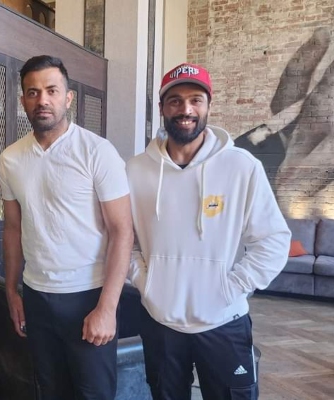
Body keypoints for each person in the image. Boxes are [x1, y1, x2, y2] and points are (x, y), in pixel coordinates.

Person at [126, 63, 291, 400]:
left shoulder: (242, 167)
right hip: (160, 321)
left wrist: (231, 288)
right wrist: (145, 281)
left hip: (224, 322)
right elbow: (122, 239)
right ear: (162, 108)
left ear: (208, 106)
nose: (185, 109)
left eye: (195, 100)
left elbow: (274, 240)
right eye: (175, 101)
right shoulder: (135, 170)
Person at [0, 55, 134, 399]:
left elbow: (122, 231)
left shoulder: (97, 151)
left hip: (88, 294)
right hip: (37, 296)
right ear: (23, 100)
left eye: (51, 90)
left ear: (68, 97)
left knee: (94, 394)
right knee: (49, 390)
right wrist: (12, 291)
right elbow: (12, 228)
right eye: (33, 92)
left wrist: (107, 307)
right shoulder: (10, 158)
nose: (42, 100)